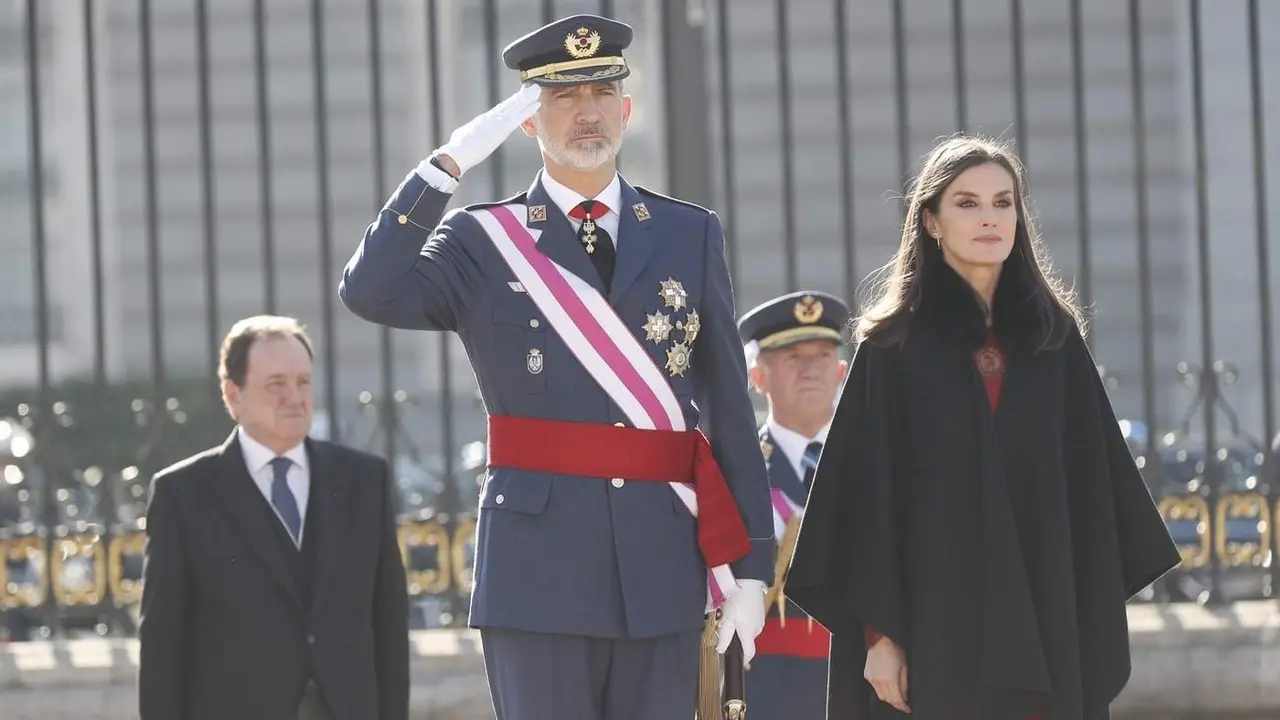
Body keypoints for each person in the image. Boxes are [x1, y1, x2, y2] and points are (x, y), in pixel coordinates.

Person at [337, 13, 774, 720]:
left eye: (602, 93)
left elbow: (726, 402)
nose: (587, 112)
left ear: (627, 110)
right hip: (537, 568)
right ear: (528, 123)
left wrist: (751, 568)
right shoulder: (482, 240)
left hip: (661, 562)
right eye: (563, 98)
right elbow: (370, 291)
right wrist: (443, 168)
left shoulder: (687, 232)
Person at [783, 135, 1181, 720]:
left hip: (1042, 631)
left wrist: (1080, 626)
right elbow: (865, 504)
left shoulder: (1055, 341)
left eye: (1004, 202)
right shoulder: (892, 346)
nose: (990, 218)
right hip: (929, 634)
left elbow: (1095, 497)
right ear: (932, 222)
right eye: (967, 203)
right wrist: (880, 638)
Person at [137, 316, 409, 720]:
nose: (294, 397)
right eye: (276, 384)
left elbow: (388, 627)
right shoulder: (183, 494)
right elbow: (162, 646)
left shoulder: (364, 482)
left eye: (303, 382)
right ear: (233, 395)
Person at [736, 290, 850, 720]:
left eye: (822, 356)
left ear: (841, 372)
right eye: (791, 357)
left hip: (858, 681)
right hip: (764, 688)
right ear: (758, 377)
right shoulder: (736, 473)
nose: (809, 370)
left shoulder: (872, 463)